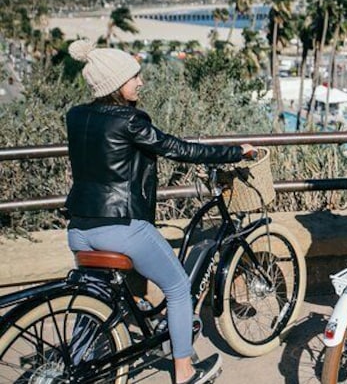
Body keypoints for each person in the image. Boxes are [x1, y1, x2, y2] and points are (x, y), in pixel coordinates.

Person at [64, 40, 254, 384]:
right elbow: (176, 148)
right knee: (179, 288)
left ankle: (74, 369)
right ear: (116, 83)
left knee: (93, 297)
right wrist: (234, 152)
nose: (141, 82)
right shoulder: (130, 120)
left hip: (78, 228)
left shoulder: (76, 116)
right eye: (135, 76)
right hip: (121, 227)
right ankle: (184, 373)